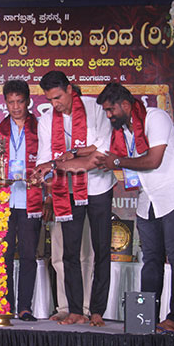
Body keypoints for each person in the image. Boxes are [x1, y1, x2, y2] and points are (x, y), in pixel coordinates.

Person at [95, 82, 174, 333]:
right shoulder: (123, 131)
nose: (109, 115)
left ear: (125, 105)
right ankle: (146, 317)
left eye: (111, 110)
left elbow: (153, 160)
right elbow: (105, 154)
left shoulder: (155, 117)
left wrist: (117, 162)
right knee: (150, 260)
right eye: (106, 111)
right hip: (148, 199)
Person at [31, 70, 115, 327]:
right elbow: (45, 159)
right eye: (50, 99)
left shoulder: (95, 108)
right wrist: (42, 173)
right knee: (70, 251)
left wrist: (69, 157)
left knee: (101, 250)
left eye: (58, 97)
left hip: (99, 187)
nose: (55, 104)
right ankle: (76, 310)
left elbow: (102, 151)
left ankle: (97, 310)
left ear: (69, 89)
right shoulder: (47, 120)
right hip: (66, 191)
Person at [0, 80, 42, 321]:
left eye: (20, 102)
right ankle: (5, 304)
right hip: (3, 202)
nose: (15, 107)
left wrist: (47, 197)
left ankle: (25, 307)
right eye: (11, 102)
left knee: (28, 255)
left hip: (30, 201)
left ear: (28, 102)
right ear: (5, 103)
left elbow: (48, 165)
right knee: (3, 255)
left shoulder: (40, 128)